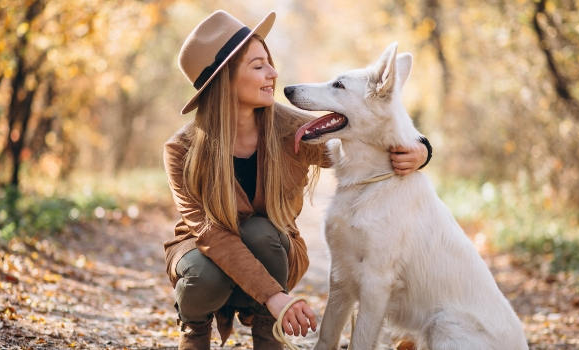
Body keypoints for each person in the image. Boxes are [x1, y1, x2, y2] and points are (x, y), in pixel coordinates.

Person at [163, 10, 431, 350]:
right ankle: (195, 329)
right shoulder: (181, 150)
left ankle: (266, 331)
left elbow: (367, 129)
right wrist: (276, 296)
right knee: (204, 273)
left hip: (271, 250)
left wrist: (421, 149)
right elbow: (210, 235)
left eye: (269, 62)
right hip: (205, 255)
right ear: (224, 80)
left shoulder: (292, 128)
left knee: (261, 232)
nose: (273, 73)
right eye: (258, 66)